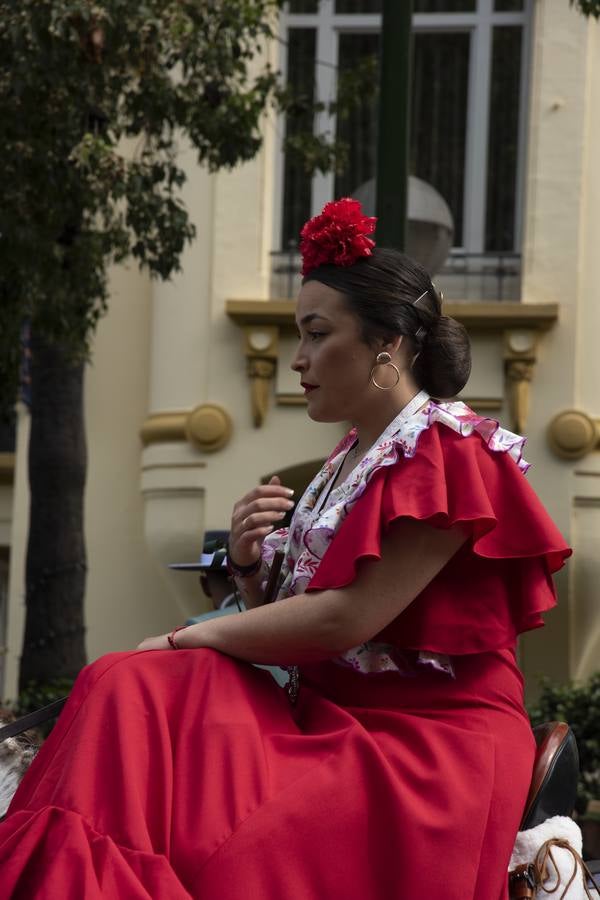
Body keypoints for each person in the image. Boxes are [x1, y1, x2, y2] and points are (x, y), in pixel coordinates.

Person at [0, 198, 570, 899]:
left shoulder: (450, 452)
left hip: (423, 747)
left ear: (387, 344)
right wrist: (247, 566)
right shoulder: (346, 462)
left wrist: (183, 638)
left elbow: (343, 622)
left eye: (315, 333)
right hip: (325, 719)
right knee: (121, 686)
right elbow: (305, 622)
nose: (297, 358)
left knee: (147, 701)